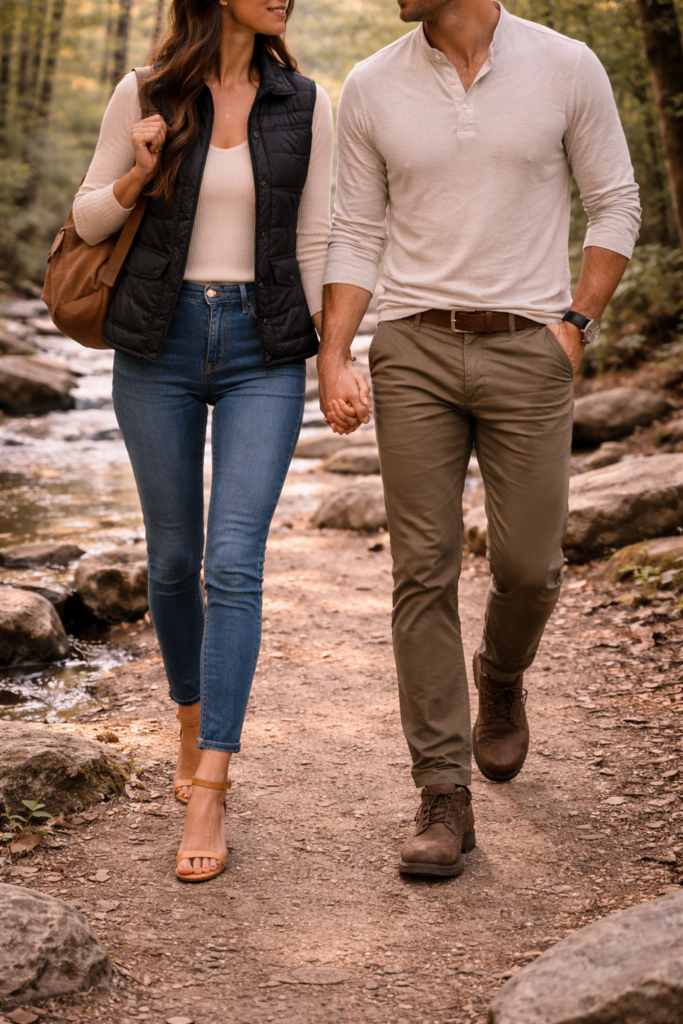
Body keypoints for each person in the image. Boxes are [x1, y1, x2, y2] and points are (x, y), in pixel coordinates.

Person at [318, 0, 640, 877]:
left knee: (531, 566)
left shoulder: (566, 65)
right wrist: (336, 352)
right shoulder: (374, 84)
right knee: (421, 570)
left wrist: (574, 323)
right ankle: (442, 796)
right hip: (414, 346)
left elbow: (614, 202)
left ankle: (499, 674)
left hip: (529, 347)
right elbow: (355, 227)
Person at [73, 0, 332, 882]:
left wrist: (333, 355)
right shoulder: (144, 93)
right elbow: (87, 220)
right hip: (160, 345)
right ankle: (189, 716)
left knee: (234, 562)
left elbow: (318, 235)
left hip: (265, 350)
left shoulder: (303, 101)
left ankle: (215, 777)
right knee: (173, 560)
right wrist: (138, 173)